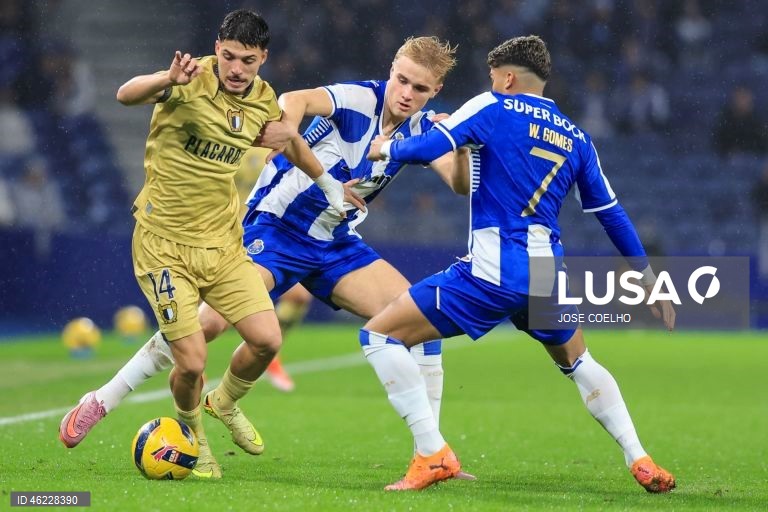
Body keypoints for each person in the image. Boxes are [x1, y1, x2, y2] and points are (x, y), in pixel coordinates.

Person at [58, 35, 470, 475]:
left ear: (435, 92)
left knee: (423, 324)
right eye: (402, 80)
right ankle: (103, 398)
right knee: (208, 323)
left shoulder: (424, 130)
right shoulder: (355, 99)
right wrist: (285, 131)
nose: (407, 94)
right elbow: (294, 99)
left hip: (334, 243)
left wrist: (459, 143)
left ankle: (430, 454)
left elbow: (459, 184)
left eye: (420, 89)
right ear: (391, 70)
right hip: (273, 227)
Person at [363, 35, 677, 492]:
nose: (493, 83)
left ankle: (432, 453)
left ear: (507, 78)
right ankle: (640, 456)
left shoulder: (492, 105)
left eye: (495, 78)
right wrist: (647, 277)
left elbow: (430, 148)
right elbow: (612, 214)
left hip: (493, 269)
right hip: (547, 274)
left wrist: (382, 149)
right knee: (579, 360)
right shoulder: (577, 136)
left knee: (379, 334)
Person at [58, 9, 351, 480]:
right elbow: (124, 94)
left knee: (266, 339)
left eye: (248, 61)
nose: (237, 69)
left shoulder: (261, 97)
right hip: (164, 244)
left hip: (223, 245)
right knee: (191, 362)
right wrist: (164, 78)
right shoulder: (187, 78)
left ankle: (225, 403)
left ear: (263, 59)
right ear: (217, 48)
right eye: (230, 57)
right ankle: (190, 437)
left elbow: (287, 137)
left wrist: (331, 186)